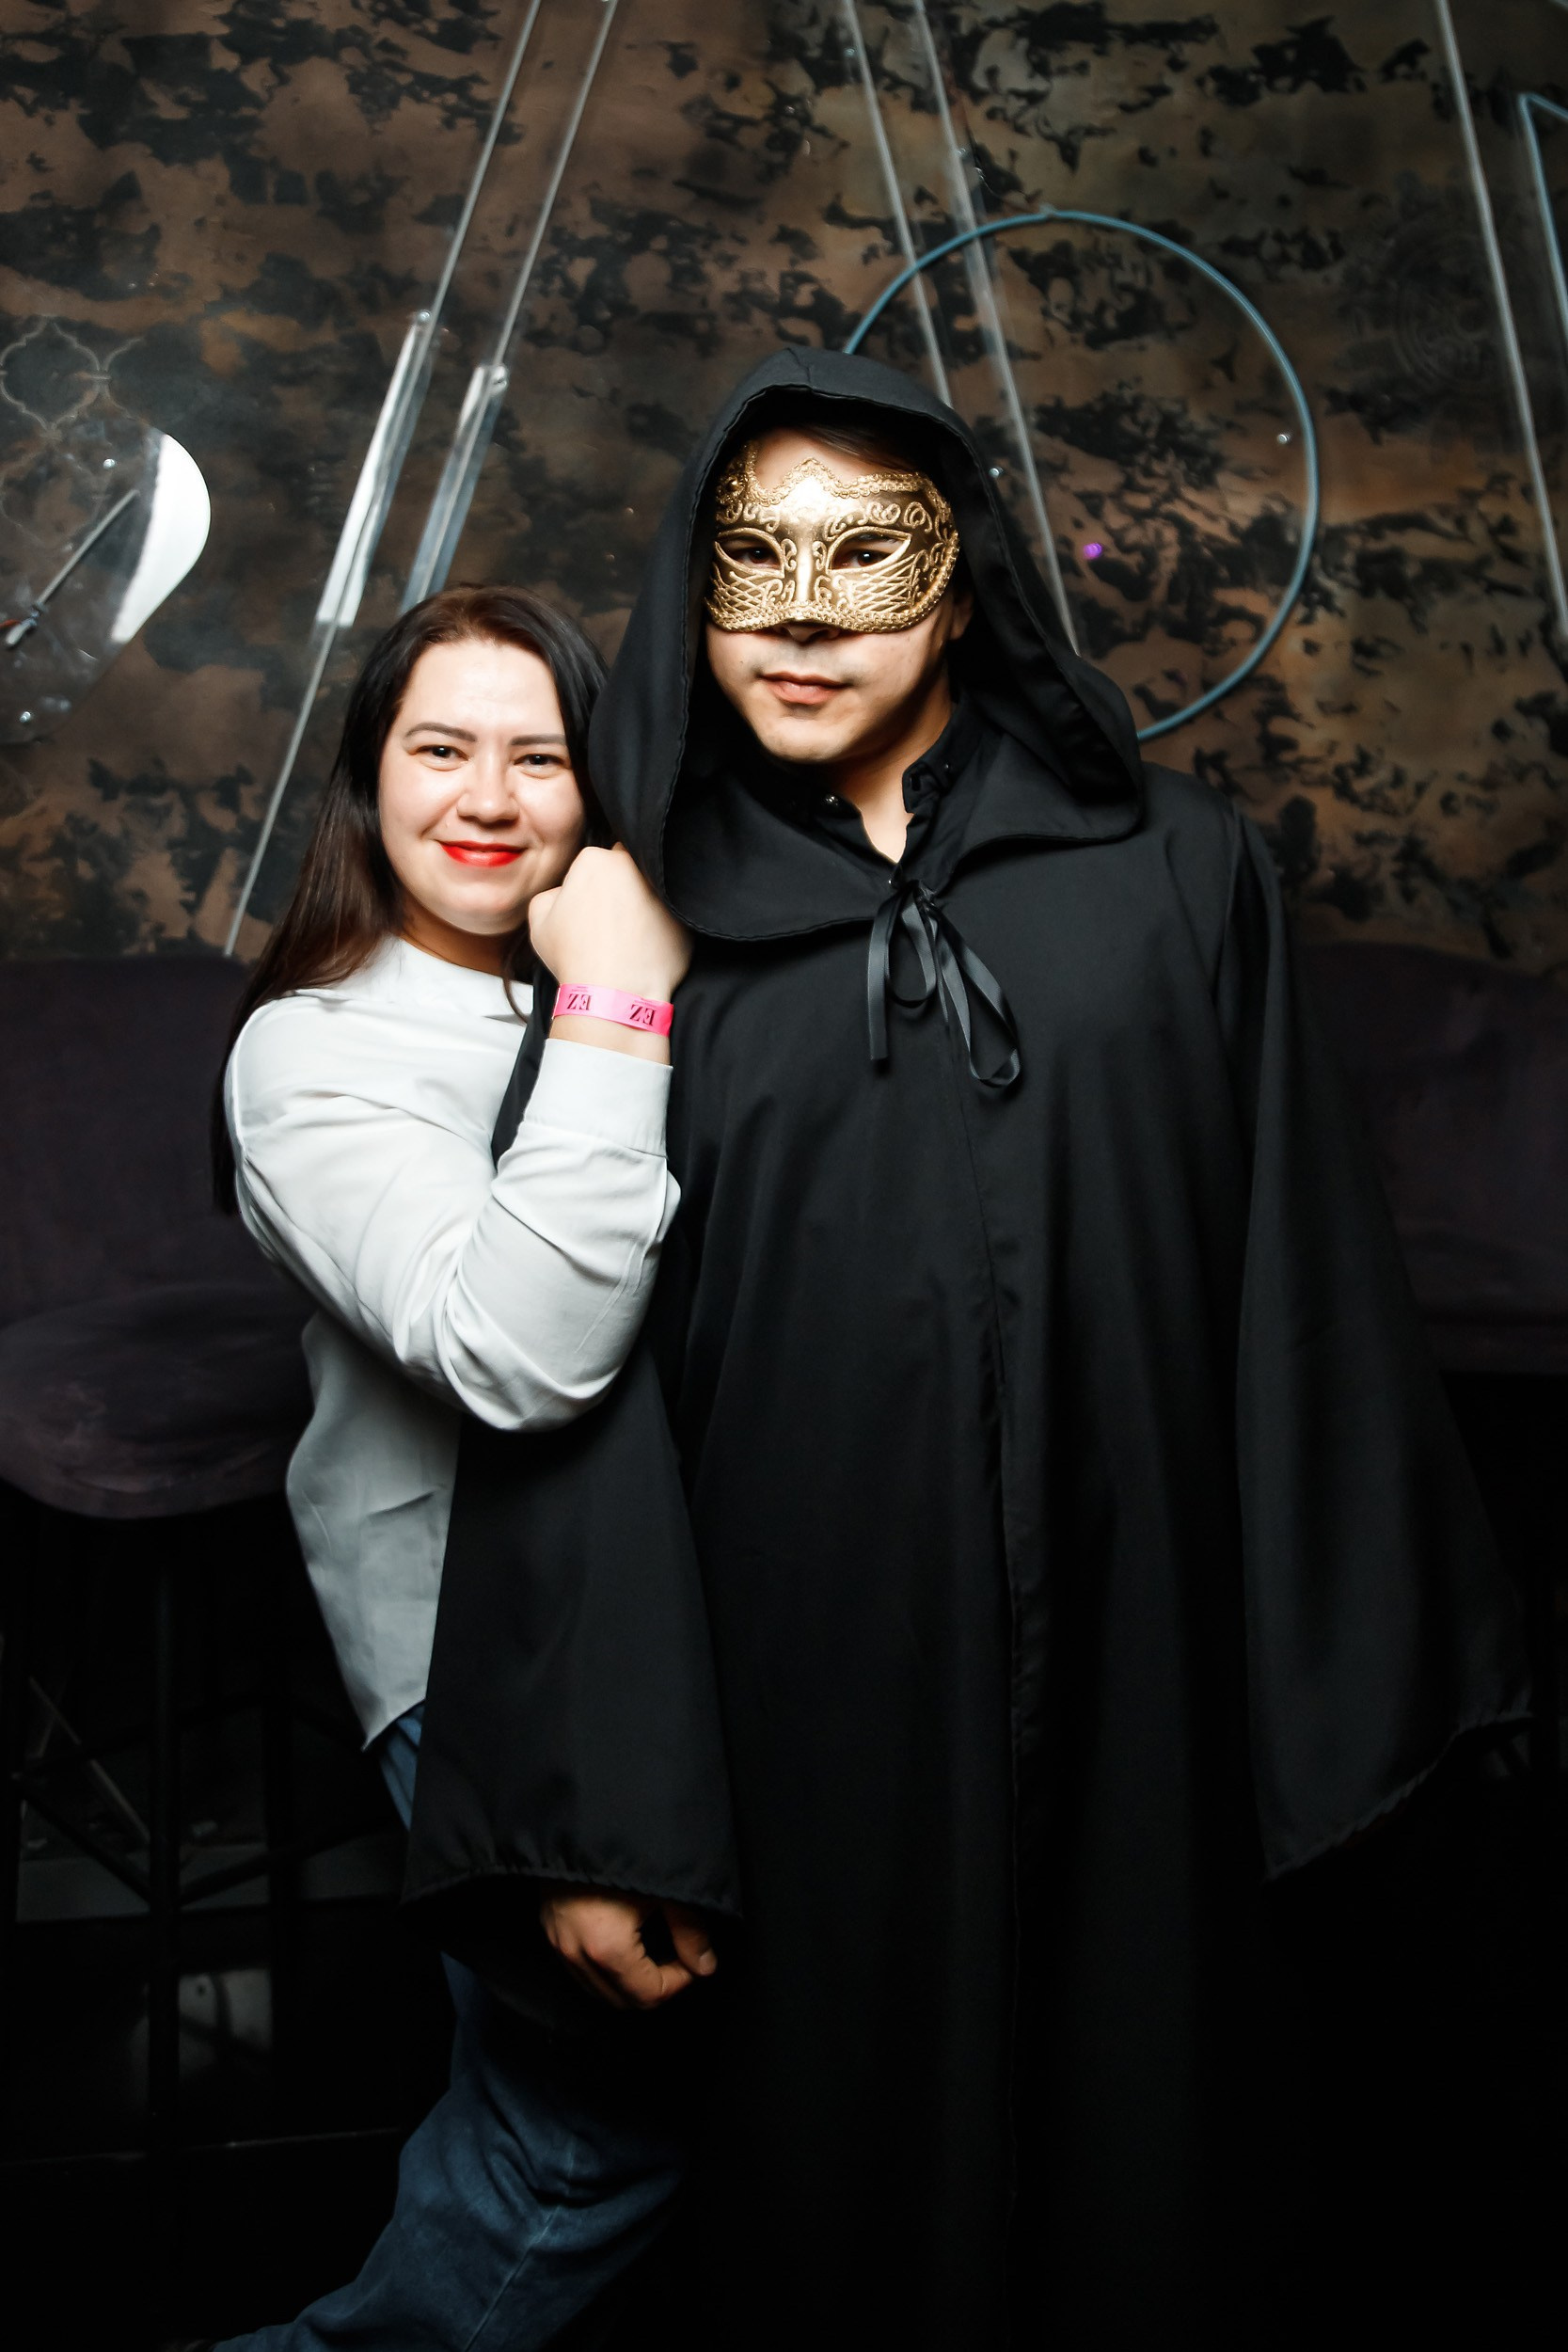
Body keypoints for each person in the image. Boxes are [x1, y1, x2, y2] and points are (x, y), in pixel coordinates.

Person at [404, 357, 1528, 2345]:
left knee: (1162, 2187)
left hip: (1151, 1699)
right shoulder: (634, 922)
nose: (804, 612)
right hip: (795, 1733)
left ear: (964, 583)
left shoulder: (1174, 874)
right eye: (754, 558)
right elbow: (577, 1381)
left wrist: (1363, 1728)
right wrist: (598, 1816)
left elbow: (1311, 1299)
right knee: (841, 2221)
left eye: (866, 556)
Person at [208, 584, 710, 2352]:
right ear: (371, 776)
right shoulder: (314, 1049)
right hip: (479, 1659)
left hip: (679, 1628)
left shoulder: (631, 978)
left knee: (641, 2117)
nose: (488, 798)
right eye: (441, 748)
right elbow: (522, 1352)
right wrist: (621, 1003)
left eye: (540, 756)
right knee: (581, 2146)